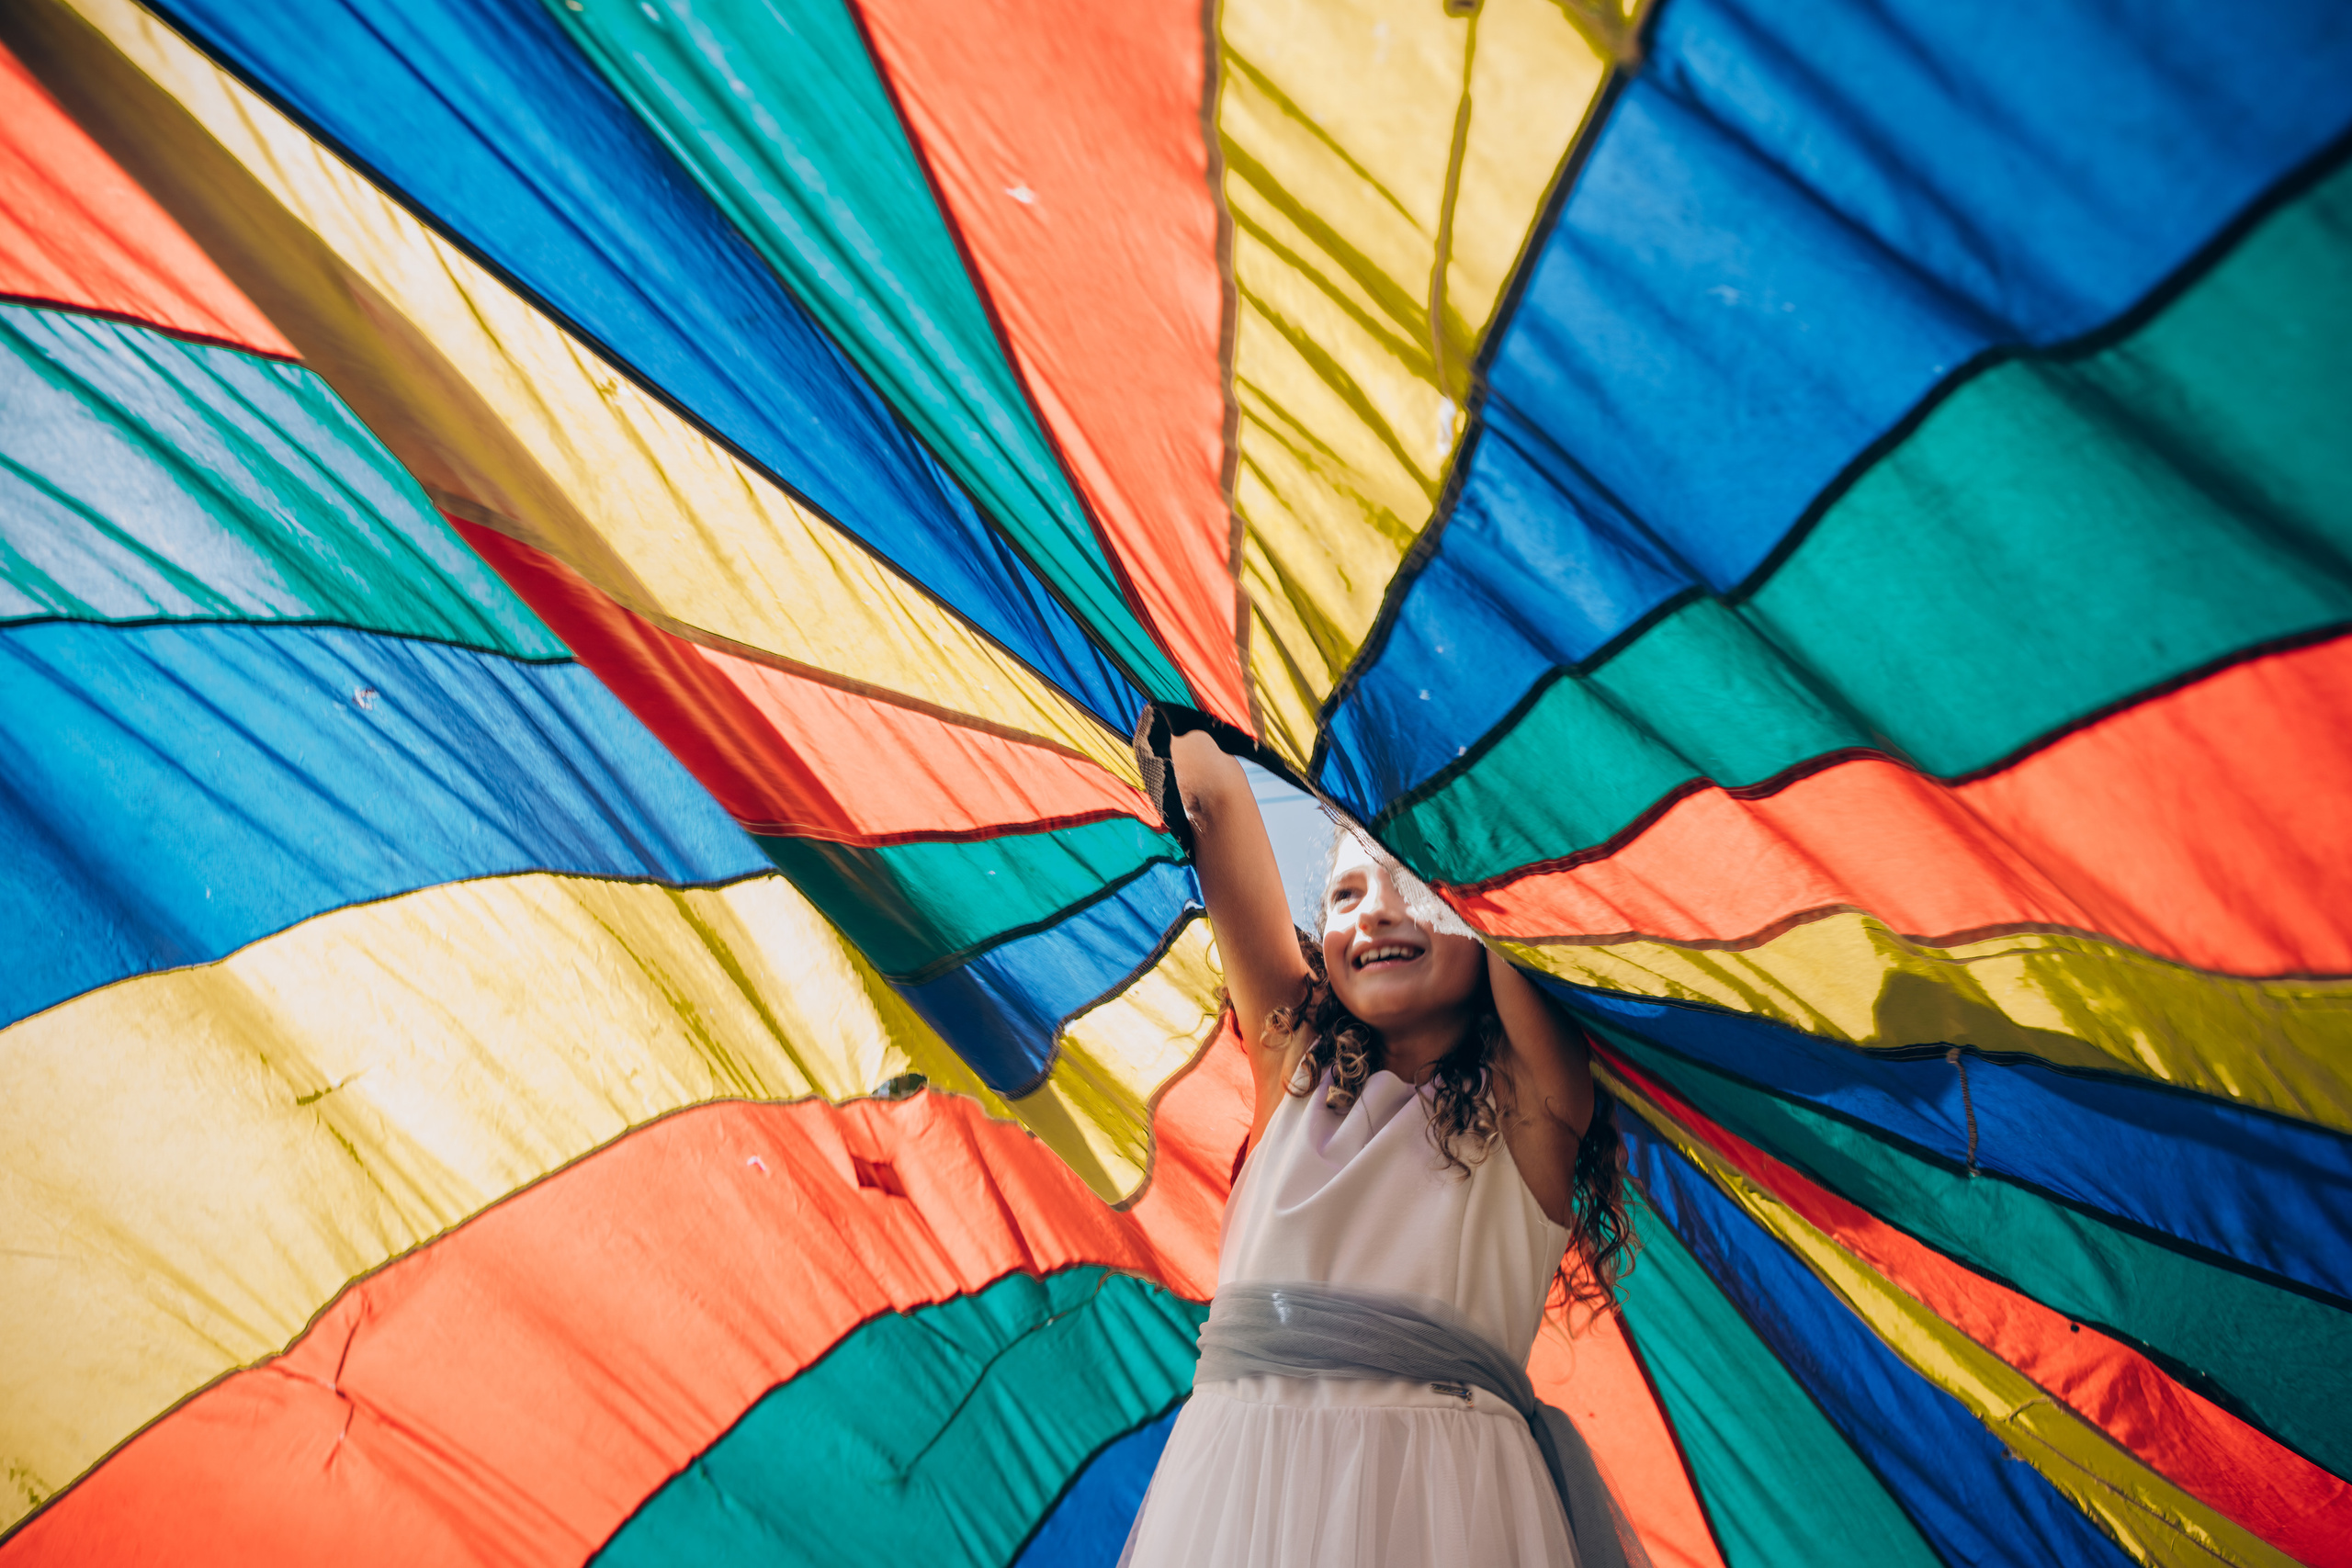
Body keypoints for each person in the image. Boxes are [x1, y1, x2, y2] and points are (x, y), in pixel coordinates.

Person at [1119, 721, 1643, 1568]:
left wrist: (1449, 826)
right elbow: (1213, 804)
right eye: (1346, 894)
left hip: (1444, 1494)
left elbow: (1501, 901)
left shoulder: (1531, 1108)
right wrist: (1200, 726)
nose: (1376, 913)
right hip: (1242, 1482)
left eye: (1413, 888)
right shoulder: (1291, 1064)